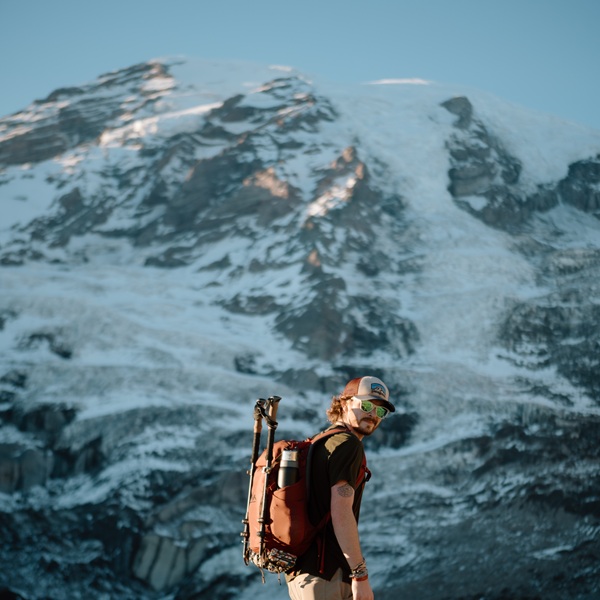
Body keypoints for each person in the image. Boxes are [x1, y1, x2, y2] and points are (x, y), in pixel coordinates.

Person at [286, 375, 395, 600]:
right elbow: (341, 511)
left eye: (380, 411)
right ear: (344, 403)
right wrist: (360, 575)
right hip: (328, 574)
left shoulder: (320, 441)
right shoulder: (348, 444)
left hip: (304, 574)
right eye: (366, 405)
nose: (373, 415)